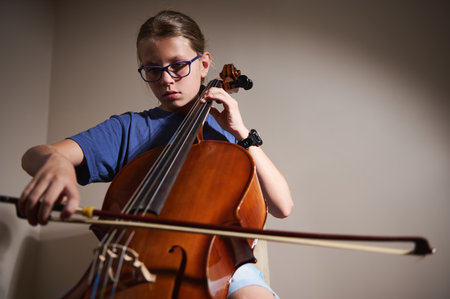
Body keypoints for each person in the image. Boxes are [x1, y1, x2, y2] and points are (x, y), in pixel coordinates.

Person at [19, 10, 293, 299]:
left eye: (177, 66)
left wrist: (242, 134)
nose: (166, 80)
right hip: (132, 265)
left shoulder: (228, 135)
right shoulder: (129, 128)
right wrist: (57, 163)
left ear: (203, 64)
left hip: (220, 266)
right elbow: (34, 156)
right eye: (152, 69)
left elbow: (282, 206)